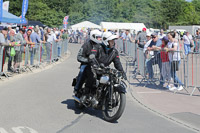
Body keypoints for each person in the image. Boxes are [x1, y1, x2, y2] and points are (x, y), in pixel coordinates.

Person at [74, 29, 103, 94]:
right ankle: (77, 88)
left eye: (100, 37)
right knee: (82, 71)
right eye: (98, 37)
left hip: (97, 65)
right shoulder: (86, 45)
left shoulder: (100, 46)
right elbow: (79, 57)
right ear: (93, 36)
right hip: (86, 64)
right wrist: (88, 60)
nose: (99, 38)